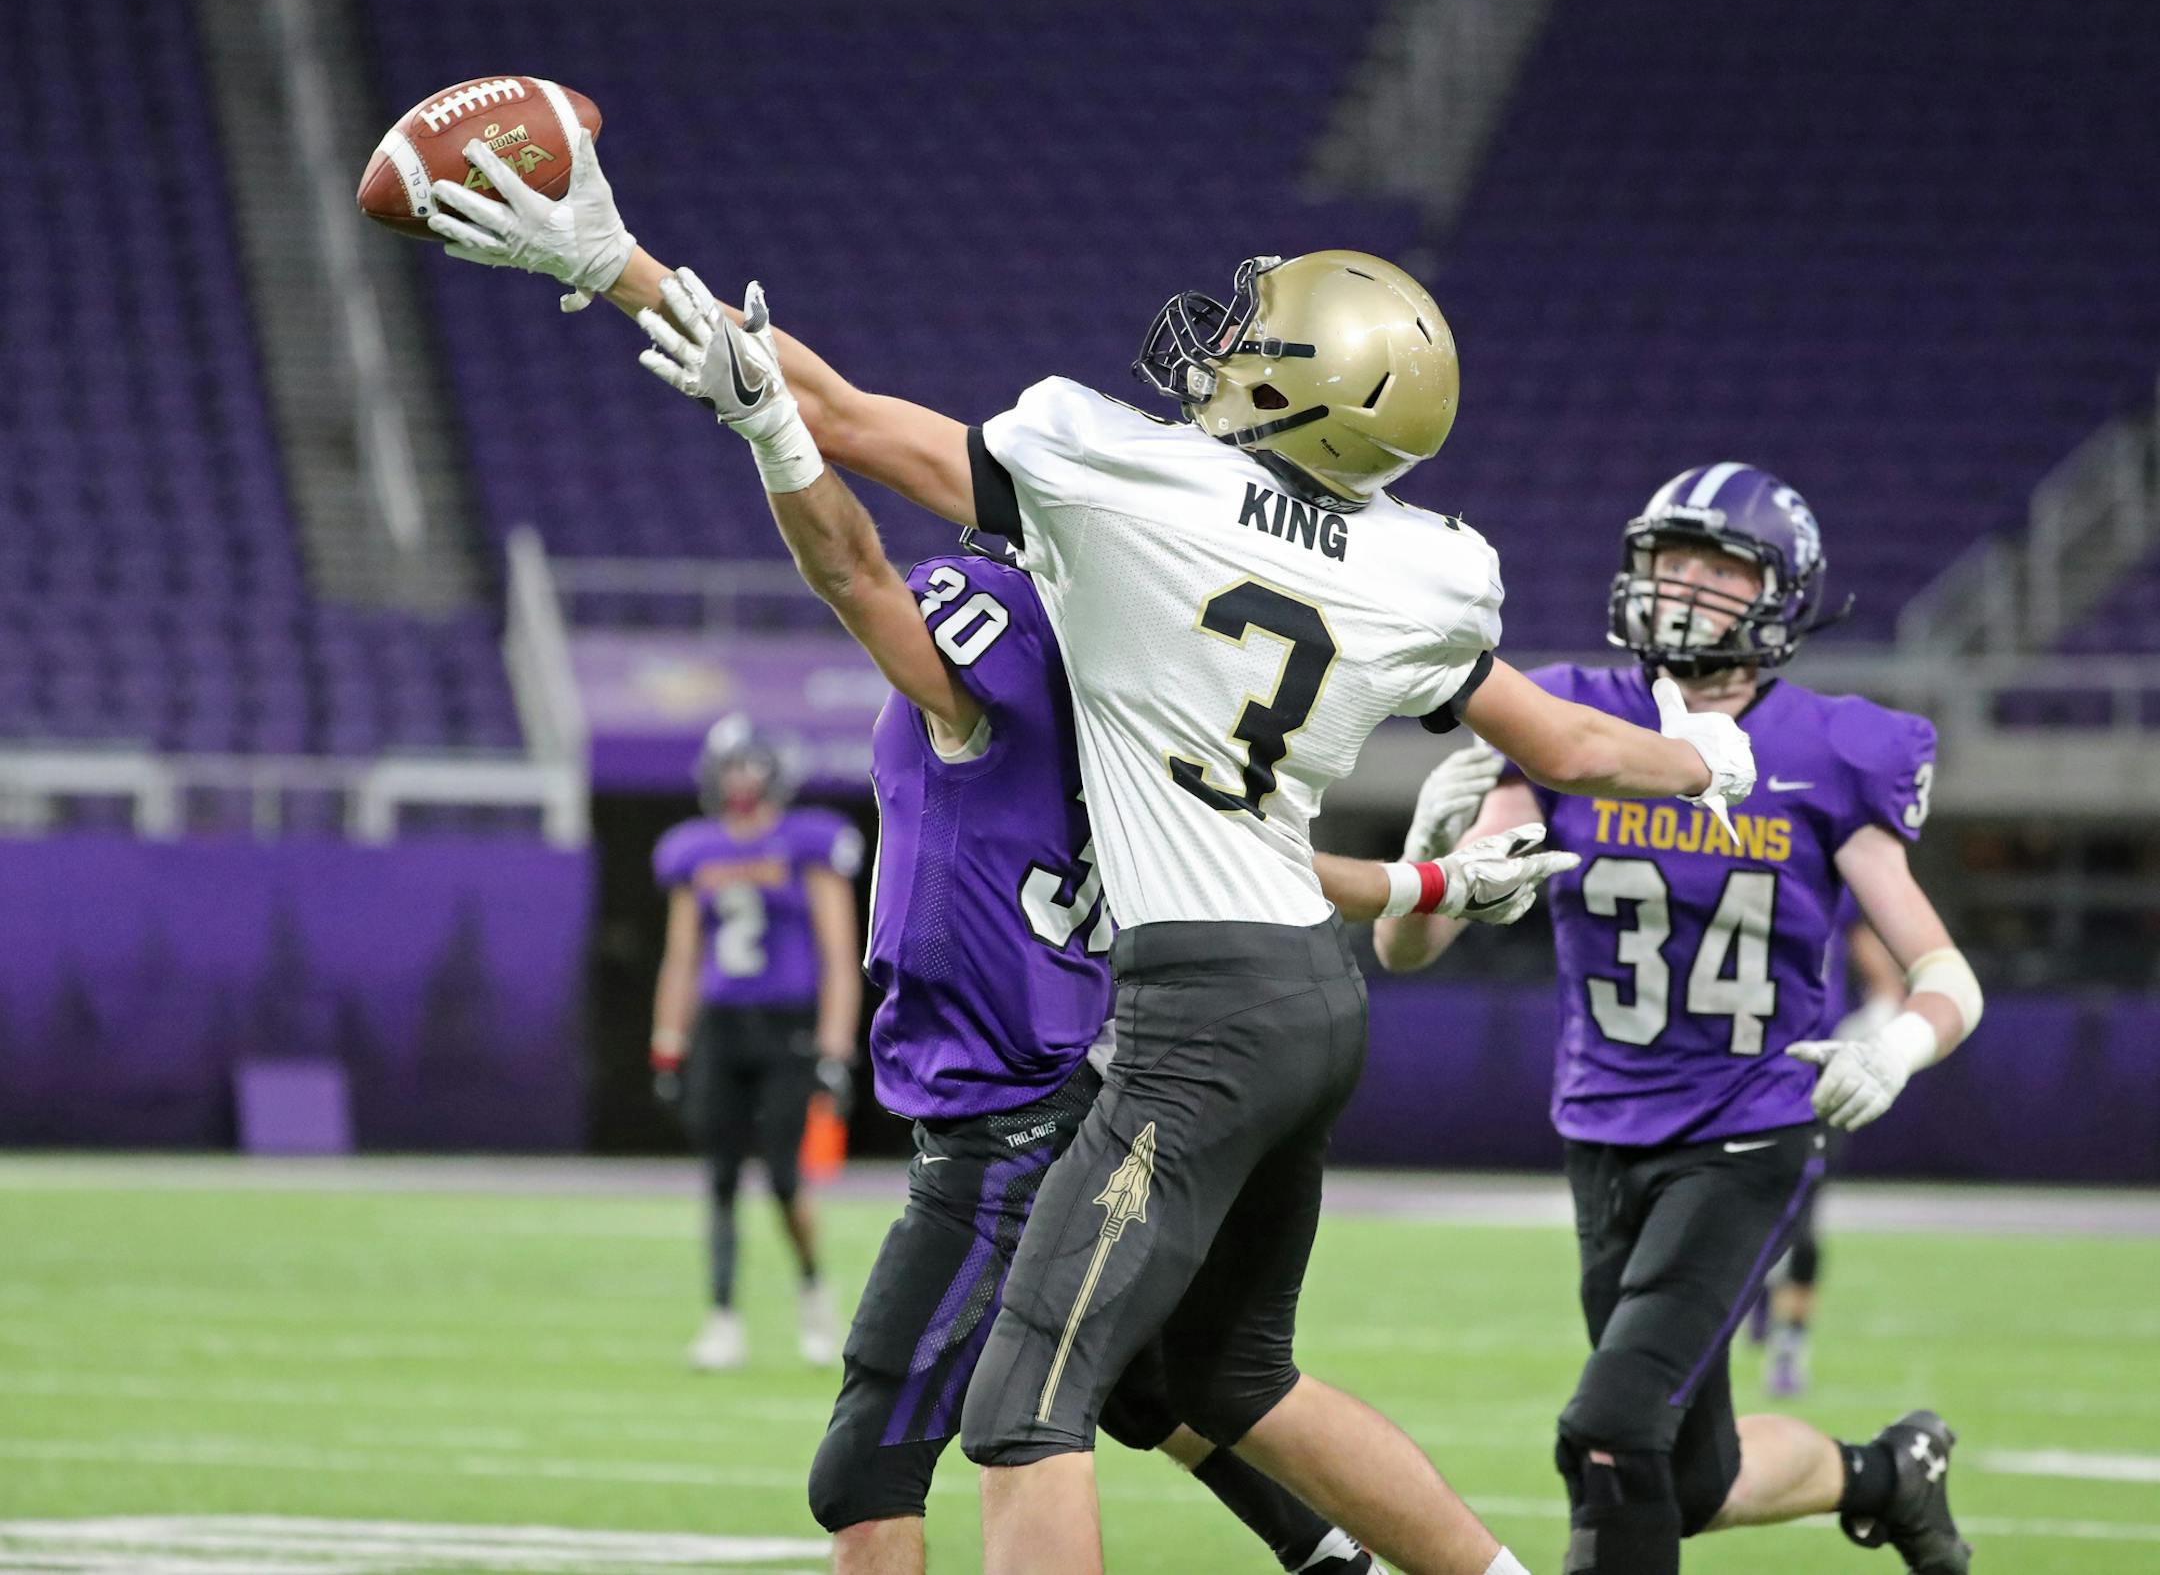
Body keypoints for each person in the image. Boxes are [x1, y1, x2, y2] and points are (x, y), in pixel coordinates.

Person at [423, 133, 1756, 1575]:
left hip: (1197, 1020)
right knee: (1234, 1381)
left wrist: (614, 265)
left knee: (1024, 1405)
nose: (1224, 341)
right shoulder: (1417, 567)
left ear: (1305, 384)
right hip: (1311, 998)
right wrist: (1710, 758)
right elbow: (1565, 745)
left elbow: (842, 424)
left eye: (1261, 333)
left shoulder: (1123, 485)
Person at [661, 284, 1573, 1573]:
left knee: (884, 1456)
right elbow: (1280, 860)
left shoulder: (1009, 636)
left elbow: (855, 554)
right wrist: (1427, 889)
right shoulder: (1161, 685)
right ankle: (1349, 1559)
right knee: (1177, 1390)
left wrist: (746, 407)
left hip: (1009, 1108)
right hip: (1112, 1066)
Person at [1374, 465, 1980, 1575]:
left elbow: (1945, 968)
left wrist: (1896, 1041)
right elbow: (1410, 948)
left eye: (1720, 565)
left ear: (1779, 594)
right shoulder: (1565, 716)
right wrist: (1431, 863)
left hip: (1746, 1129)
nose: (1686, 585)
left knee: (1608, 1431)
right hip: (1601, 1132)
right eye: (1670, 557)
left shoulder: (1831, 747)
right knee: (1688, 1479)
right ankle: (1891, 1474)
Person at [651, 715, 863, 1370]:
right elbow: (681, 955)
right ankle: (721, 1319)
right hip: (721, 1025)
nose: (739, 778)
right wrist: (667, 1040)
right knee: (716, 1177)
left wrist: (835, 1046)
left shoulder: (809, 843)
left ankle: (812, 1289)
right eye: (729, 765)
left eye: (748, 763)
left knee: (781, 1177)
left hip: (788, 1026)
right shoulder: (695, 850)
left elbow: (837, 950)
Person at [1754, 915, 1905, 1399]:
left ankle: (1789, 1344)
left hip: (1813, 1076)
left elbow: (1887, 984)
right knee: (1738, 1205)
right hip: (1741, 1072)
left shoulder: (1834, 890)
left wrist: (1868, 1034)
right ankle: (1754, 1280)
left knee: (1803, 1223)